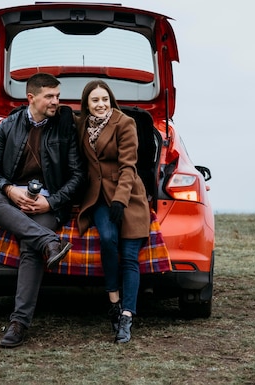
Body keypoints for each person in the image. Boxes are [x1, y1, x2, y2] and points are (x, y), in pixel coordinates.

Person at [0, 72, 84, 348]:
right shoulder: (7, 126)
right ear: (31, 98)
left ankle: (18, 323)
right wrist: (10, 190)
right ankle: (49, 241)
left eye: (57, 96)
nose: (56, 101)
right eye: (50, 96)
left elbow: (77, 175)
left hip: (48, 202)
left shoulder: (65, 125)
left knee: (30, 247)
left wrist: (51, 202)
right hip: (13, 197)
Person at [76, 80, 150, 343]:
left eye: (105, 99)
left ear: (111, 100)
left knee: (130, 256)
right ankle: (114, 304)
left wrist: (120, 200)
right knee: (107, 240)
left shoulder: (124, 123)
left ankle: (127, 317)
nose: (101, 104)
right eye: (95, 100)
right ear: (86, 104)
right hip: (97, 198)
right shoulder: (81, 125)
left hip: (128, 196)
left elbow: (129, 165)